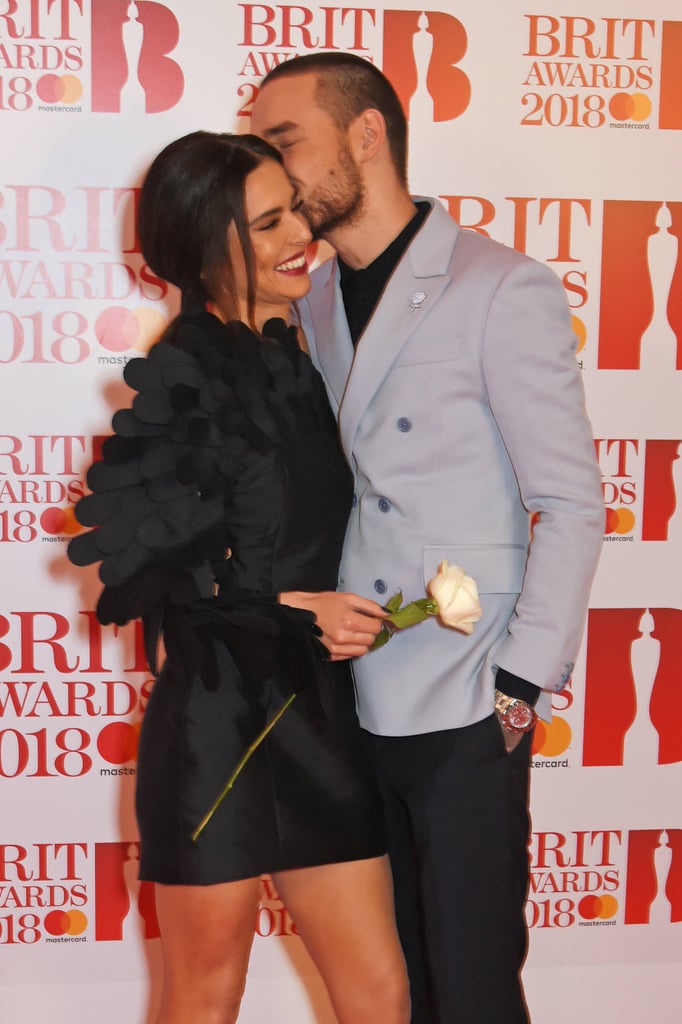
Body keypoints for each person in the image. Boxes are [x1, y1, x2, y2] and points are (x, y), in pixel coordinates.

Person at [252, 54, 604, 1024]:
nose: (274, 171)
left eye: (287, 142)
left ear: (366, 133)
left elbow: (572, 501)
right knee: (388, 985)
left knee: (473, 980)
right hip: (350, 690)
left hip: (464, 689)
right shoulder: (308, 300)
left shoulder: (499, 286)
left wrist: (519, 685)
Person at [68, 131, 410, 1024]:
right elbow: (147, 574)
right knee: (205, 993)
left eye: (293, 207)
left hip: (318, 721)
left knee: (379, 993)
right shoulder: (183, 377)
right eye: (268, 222)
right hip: (215, 728)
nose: (302, 230)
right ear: (207, 246)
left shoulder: (303, 358)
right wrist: (300, 607)